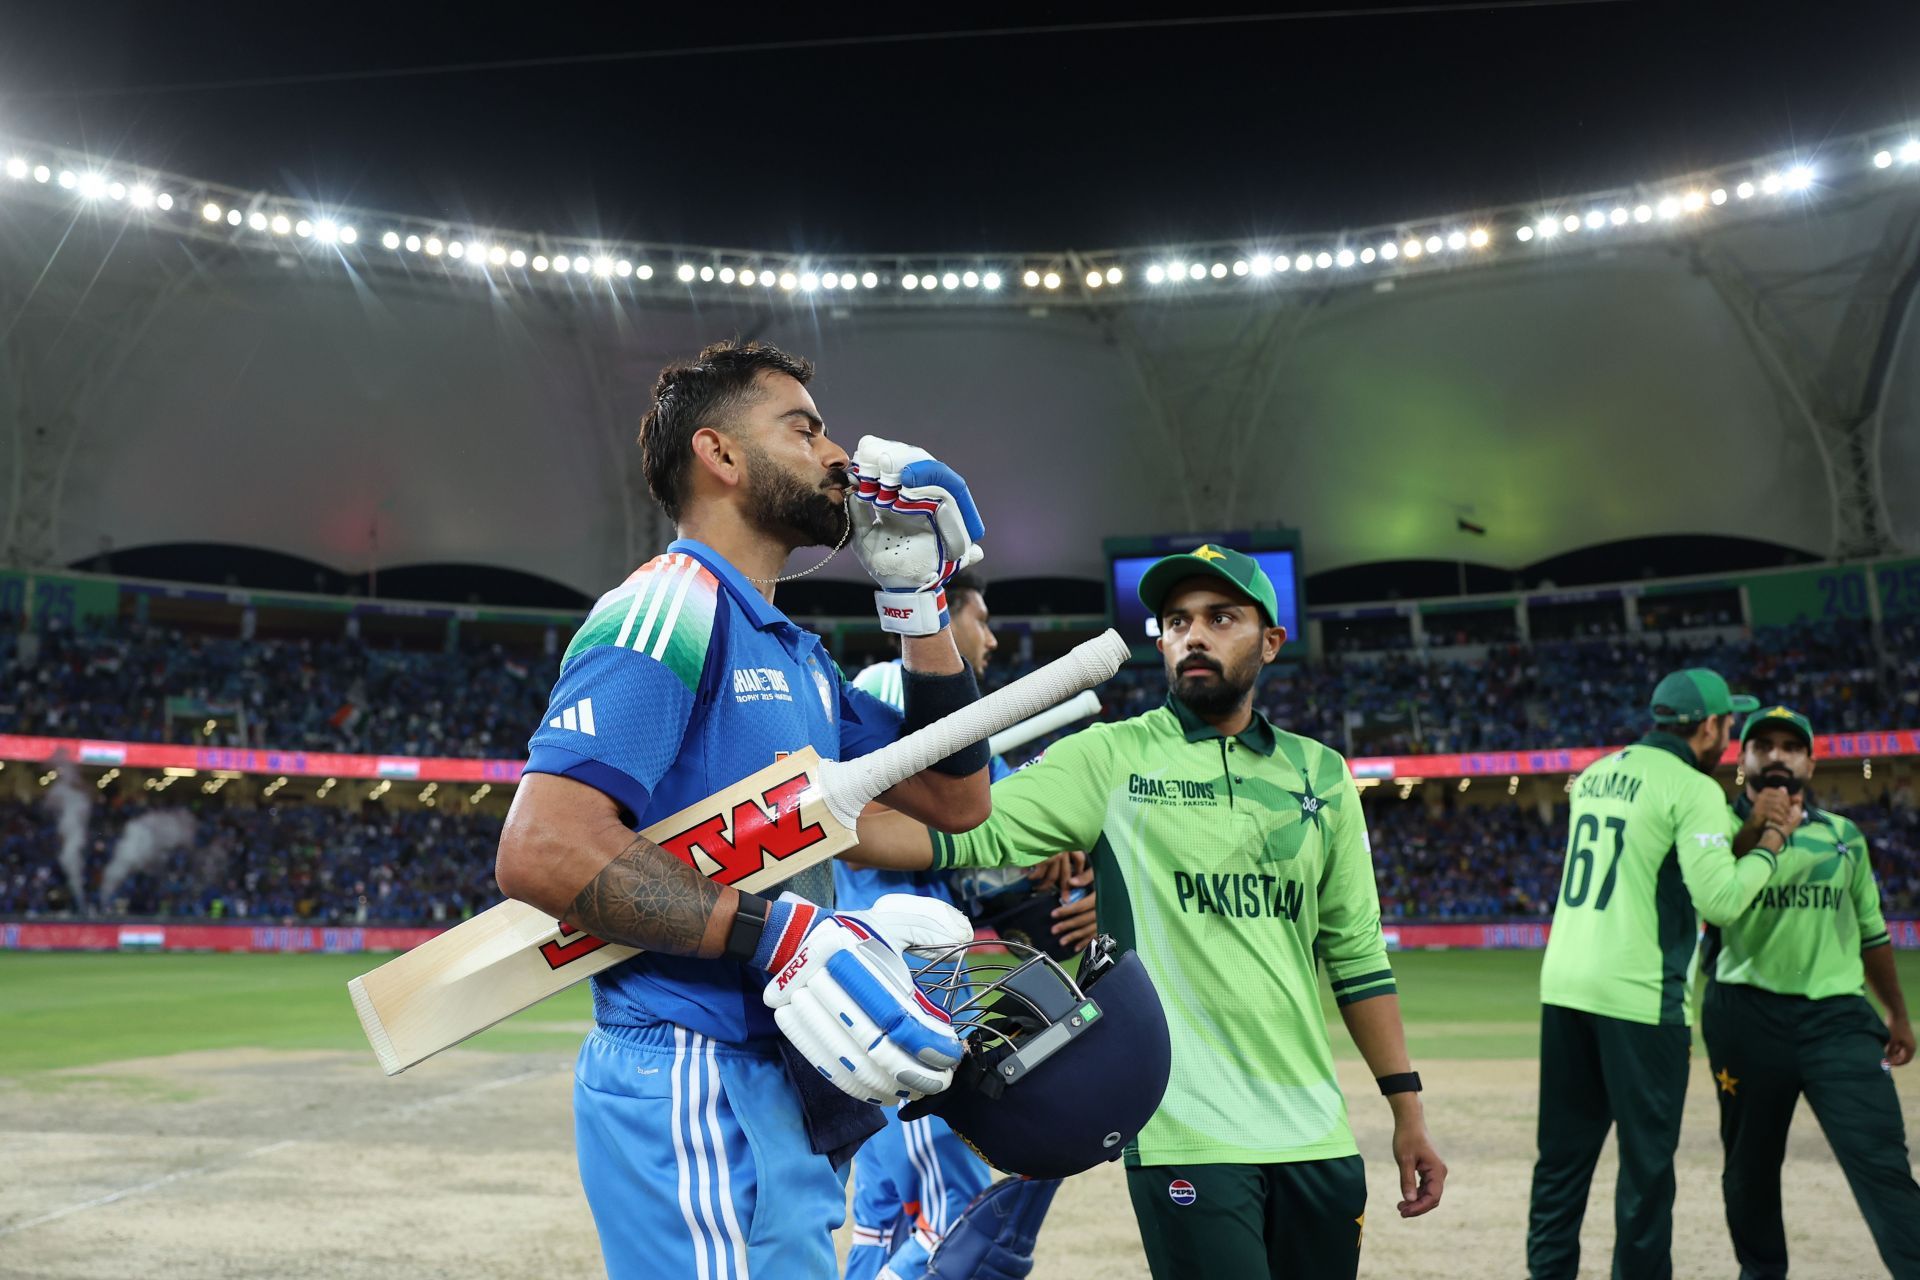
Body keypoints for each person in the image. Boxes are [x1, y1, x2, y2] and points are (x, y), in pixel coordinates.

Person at [493, 340, 995, 1280]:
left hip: (781, 1068)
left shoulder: (793, 649)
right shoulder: (671, 605)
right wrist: (778, 935)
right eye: (803, 430)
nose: (839, 456)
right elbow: (543, 846)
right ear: (720, 456)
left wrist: (915, 604)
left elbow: (953, 796)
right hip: (692, 1068)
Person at [842, 543, 1447, 1280]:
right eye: (1175, 621)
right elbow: (965, 829)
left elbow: (1356, 958)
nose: (1193, 635)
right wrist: (822, 820)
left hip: (1317, 1134)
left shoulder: (1322, 774)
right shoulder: (1109, 758)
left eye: (1221, 618)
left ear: (1272, 640)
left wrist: (1405, 1109)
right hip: (1184, 1137)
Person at [840, 571, 1095, 1280]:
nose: (990, 639)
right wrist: (1049, 838)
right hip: (912, 975)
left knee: (883, 1216)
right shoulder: (899, 688)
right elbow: (989, 814)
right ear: (939, 619)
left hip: (863, 976)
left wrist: (1039, 840)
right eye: (980, 620)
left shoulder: (882, 691)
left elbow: (992, 829)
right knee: (957, 1212)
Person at [1527, 667, 1800, 1280]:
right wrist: (1772, 844)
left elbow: (1676, 850)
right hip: (1640, 1000)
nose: (1729, 736)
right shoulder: (1692, 788)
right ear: (1708, 727)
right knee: (1646, 1173)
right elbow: (1722, 900)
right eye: (1728, 724)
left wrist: (1750, 823)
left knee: (1561, 1165)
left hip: (1565, 986)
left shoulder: (1598, 773)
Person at [1701, 704, 1920, 1278]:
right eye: (1763, 744)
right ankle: (1762, 1272)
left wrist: (1897, 1013)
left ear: (1810, 763)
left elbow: (1872, 933)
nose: (1776, 754)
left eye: (1790, 746)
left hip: (1839, 1021)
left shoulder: (1843, 837)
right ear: (1742, 760)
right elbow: (1710, 897)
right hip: (1746, 1017)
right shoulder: (1715, 830)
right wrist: (1764, 829)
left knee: (1881, 1158)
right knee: (1750, 1169)